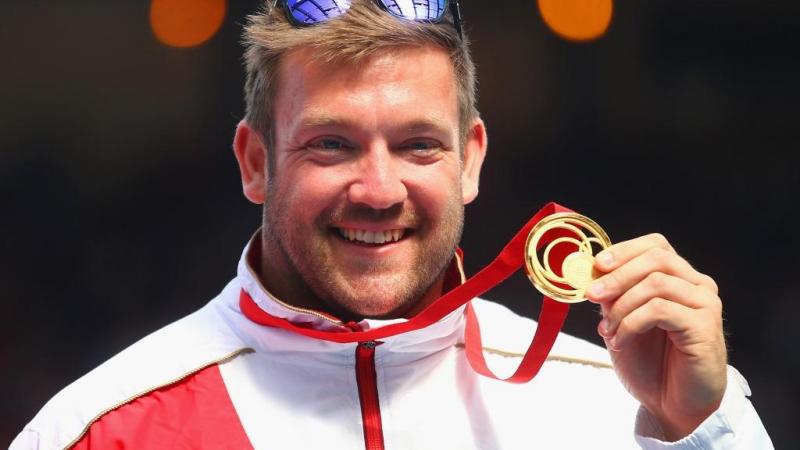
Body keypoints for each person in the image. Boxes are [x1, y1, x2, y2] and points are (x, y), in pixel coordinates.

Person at [12, 1, 773, 448]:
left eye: (417, 145)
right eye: (331, 144)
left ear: (470, 159)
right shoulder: (100, 430)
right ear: (255, 163)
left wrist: (702, 429)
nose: (379, 191)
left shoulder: (621, 408)